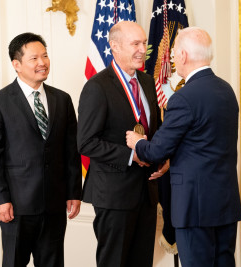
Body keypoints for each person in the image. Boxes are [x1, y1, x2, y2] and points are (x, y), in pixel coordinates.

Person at [126, 27, 241, 267]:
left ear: (184, 56)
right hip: (225, 203)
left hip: (194, 207)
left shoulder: (184, 97)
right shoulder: (226, 90)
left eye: (175, 52)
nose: (171, 57)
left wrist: (138, 143)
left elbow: (157, 150)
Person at [0, 32, 82, 267]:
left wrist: (73, 191)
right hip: (16, 206)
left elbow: (71, 150)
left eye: (45, 56)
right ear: (16, 65)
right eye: (34, 58)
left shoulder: (62, 99)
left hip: (54, 204)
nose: (42, 63)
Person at [77, 21, 167, 267]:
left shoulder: (148, 82)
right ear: (114, 46)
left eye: (144, 43)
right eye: (135, 44)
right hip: (113, 195)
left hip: (147, 192)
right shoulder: (97, 87)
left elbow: (154, 130)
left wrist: (161, 156)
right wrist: (131, 156)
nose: (142, 50)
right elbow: (86, 142)